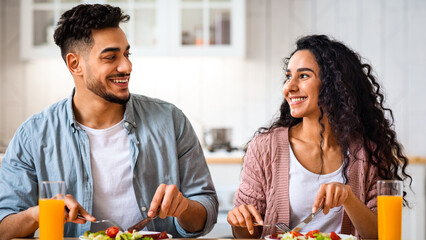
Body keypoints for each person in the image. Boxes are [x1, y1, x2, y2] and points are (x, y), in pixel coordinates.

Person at [0, 4, 218, 239]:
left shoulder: (170, 121)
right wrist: (37, 214)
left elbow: (206, 210)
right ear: (75, 64)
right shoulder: (34, 135)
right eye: (111, 57)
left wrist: (184, 207)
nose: (127, 66)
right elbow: (4, 227)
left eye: (127, 54)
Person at [226, 35, 411, 239]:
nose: (289, 87)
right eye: (288, 77)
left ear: (335, 84)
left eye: (303, 76)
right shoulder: (265, 147)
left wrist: (349, 198)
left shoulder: (368, 152)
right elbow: (246, 235)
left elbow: (382, 235)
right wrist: (240, 222)